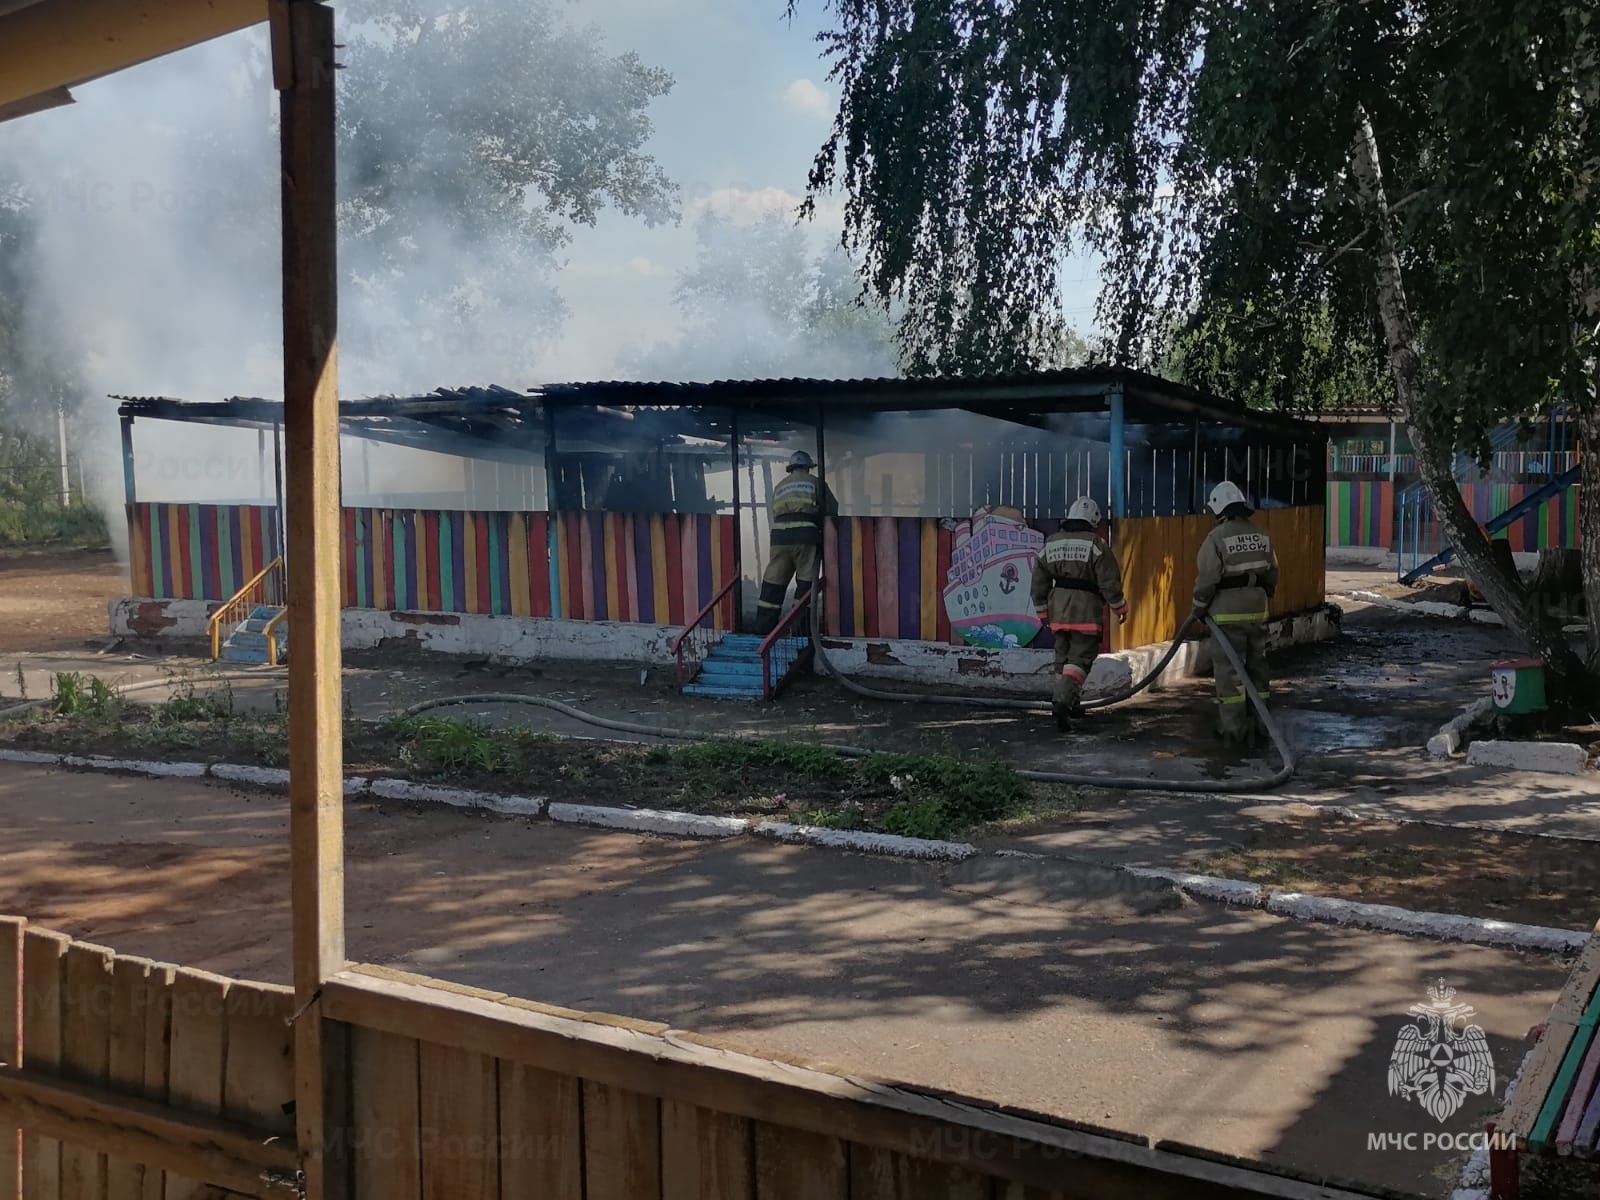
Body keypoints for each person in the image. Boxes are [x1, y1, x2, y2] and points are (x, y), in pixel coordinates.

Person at [1191, 481, 1279, 747]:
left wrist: (1198, 607)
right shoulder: (1262, 534)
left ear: (1218, 509)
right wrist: (1264, 594)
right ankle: (1261, 724)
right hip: (1258, 610)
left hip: (1226, 615)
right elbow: (1272, 572)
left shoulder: (1215, 538)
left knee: (1230, 672)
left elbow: (1207, 579)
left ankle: (1234, 729)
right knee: (1258, 666)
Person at [1030, 497, 1128, 732]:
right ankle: (1064, 703)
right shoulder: (1096, 544)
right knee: (1080, 658)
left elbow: (1039, 583)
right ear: (1092, 520)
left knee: (1062, 657)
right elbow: (1108, 580)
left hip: (1058, 610)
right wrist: (1119, 607)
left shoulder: (1051, 543)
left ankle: (1067, 700)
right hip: (1086, 610)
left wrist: (1042, 612)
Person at [754, 450, 836, 635]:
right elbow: (832, 509)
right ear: (807, 467)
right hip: (805, 536)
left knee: (773, 582)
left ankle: (762, 630)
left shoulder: (780, 486)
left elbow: (775, 512)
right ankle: (800, 631)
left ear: (791, 468)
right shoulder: (815, 483)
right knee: (806, 583)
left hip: (780, 538)